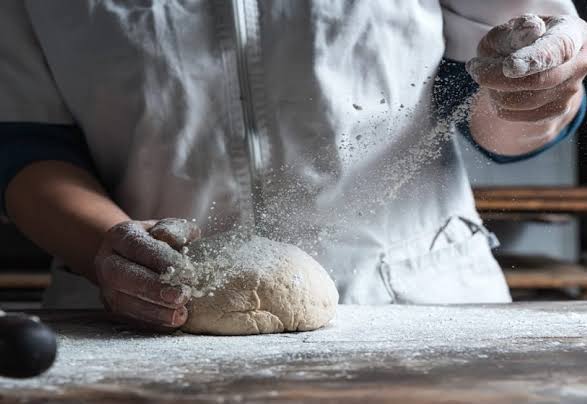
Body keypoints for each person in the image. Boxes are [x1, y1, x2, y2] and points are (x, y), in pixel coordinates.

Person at [1, 1, 585, 330]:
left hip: (415, 305)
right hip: (151, 313)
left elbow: (493, 95)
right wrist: (108, 248)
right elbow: (26, 145)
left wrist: (537, 96)